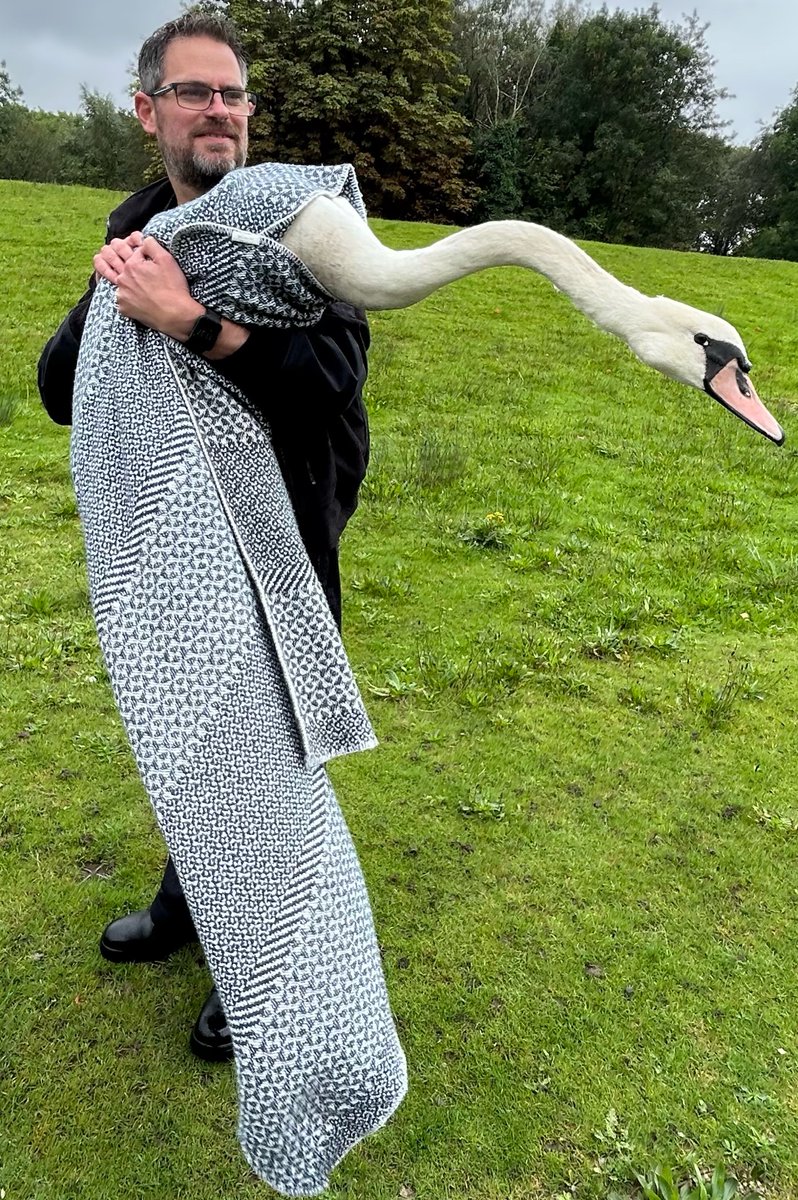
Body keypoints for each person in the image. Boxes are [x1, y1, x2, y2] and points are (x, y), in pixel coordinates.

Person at [37, 11, 371, 1064]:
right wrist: (117, 302)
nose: (220, 109)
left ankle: (254, 966)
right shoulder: (136, 221)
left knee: (267, 759)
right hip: (176, 544)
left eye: (233, 92)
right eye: (195, 92)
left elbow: (330, 385)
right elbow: (58, 391)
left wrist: (187, 319)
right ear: (149, 111)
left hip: (278, 537)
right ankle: (190, 905)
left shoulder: (300, 224)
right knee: (189, 740)